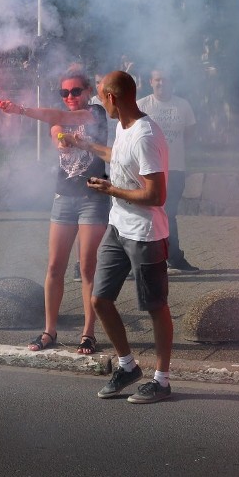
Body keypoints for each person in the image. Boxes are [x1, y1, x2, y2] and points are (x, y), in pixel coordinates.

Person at [65, 70, 173, 404]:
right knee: (99, 299)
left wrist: (111, 189)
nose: (99, 102)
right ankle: (127, 366)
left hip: (145, 234)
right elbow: (117, 157)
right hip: (118, 225)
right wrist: (86, 145)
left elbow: (157, 196)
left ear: (113, 98)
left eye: (101, 95)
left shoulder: (145, 135)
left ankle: (162, 380)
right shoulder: (122, 126)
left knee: (155, 307)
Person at [0, 70, 108, 355]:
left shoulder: (95, 111)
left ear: (87, 92)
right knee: (54, 267)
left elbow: (71, 120)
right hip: (64, 198)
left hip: (92, 198)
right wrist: (60, 137)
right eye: (64, 93)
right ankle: (50, 331)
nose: (70, 97)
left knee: (86, 267)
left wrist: (21, 110)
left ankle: (88, 333)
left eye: (75, 91)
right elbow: (57, 131)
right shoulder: (58, 122)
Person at [138, 68, 199, 273]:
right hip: (148, 171)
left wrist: (177, 154)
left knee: (168, 214)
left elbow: (190, 135)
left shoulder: (183, 105)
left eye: (166, 80)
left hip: (174, 169)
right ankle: (142, 260)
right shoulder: (142, 105)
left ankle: (174, 258)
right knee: (145, 215)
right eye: (157, 80)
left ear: (173, 83)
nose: (161, 84)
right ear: (151, 82)